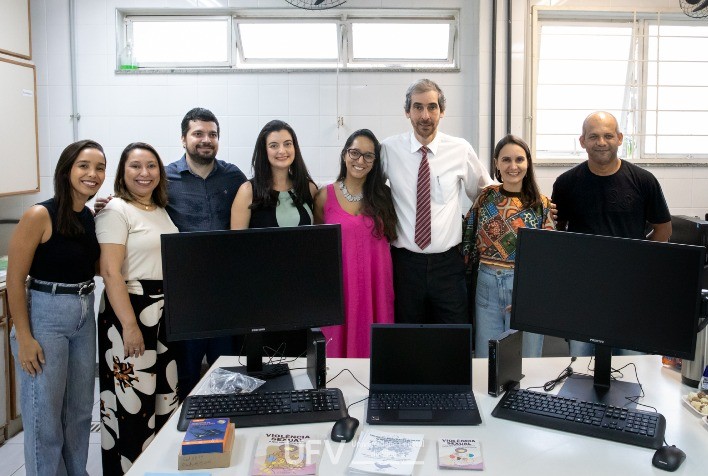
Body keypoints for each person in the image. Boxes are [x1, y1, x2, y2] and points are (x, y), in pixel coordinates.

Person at [7, 140, 106, 475]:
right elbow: (16, 279)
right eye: (84, 166)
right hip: (45, 316)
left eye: (99, 168)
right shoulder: (39, 214)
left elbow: (83, 265)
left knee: (78, 413)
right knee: (44, 417)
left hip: (83, 312)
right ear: (66, 170)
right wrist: (24, 336)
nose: (93, 174)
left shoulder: (88, 216)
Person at [552, 111, 672, 356]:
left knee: (632, 366)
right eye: (593, 136)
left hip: (630, 291)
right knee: (581, 366)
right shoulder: (565, 183)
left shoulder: (644, 181)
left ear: (619, 138)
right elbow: (557, 231)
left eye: (608, 135)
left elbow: (663, 229)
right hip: (583, 293)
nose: (601, 142)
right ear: (582, 141)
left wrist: (638, 257)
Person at [381, 78, 495, 325]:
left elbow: (486, 193)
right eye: (418, 107)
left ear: (442, 111)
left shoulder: (460, 149)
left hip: (448, 265)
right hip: (404, 265)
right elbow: (365, 190)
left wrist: (530, 201)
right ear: (407, 112)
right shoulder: (389, 149)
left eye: (432, 107)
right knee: (407, 338)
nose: (425, 115)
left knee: (454, 337)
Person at [95, 142, 179, 475]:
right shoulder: (116, 210)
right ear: (122, 172)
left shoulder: (159, 209)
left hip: (161, 312)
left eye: (151, 166)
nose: (144, 173)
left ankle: (155, 468)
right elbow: (111, 271)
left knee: (163, 397)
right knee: (133, 406)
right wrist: (130, 325)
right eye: (135, 166)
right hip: (130, 309)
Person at [461, 135, 555, 358]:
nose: (513, 166)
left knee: (527, 359)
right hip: (487, 284)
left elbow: (548, 258)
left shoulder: (541, 205)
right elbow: (468, 241)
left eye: (519, 160)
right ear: (496, 163)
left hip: (524, 286)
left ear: (528, 163)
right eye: (506, 160)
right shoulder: (486, 197)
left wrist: (529, 295)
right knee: (488, 358)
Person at [313, 129, 397, 358]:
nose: (360, 161)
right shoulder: (324, 196)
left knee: (377, 353)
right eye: (355, 153)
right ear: (344, 155)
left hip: (376, 286)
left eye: (368, 156)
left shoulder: (385, 197)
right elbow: (320, 245)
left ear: (375, 162)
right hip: (341, 288)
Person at [231, 119, 318, 229]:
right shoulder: (247, 191)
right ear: (264, 151)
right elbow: (236, 243)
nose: (282, 151)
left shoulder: (309, 188)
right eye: (274, 145)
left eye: (287, 144)